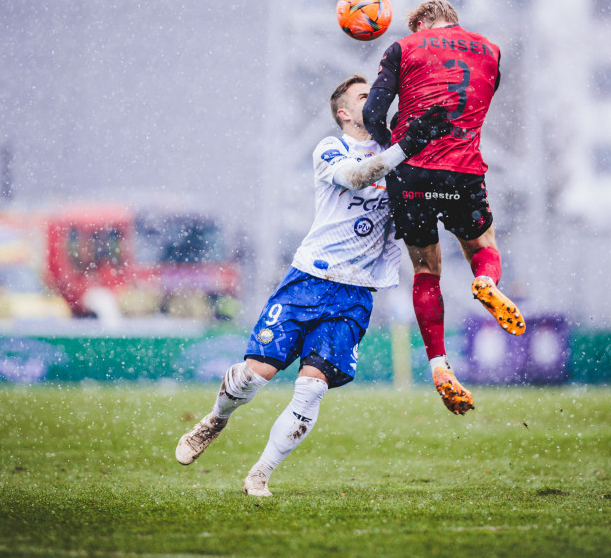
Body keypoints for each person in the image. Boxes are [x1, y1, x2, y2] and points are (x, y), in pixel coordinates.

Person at [175, 74, 452, 496]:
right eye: (365, 96)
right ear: (344, 112)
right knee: (255, 376)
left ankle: (260, 473)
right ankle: (216, 419)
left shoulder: (399, 151)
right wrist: (409, 146)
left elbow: (424, 202)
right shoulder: (332, 147)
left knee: (310, 390)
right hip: (308, 279)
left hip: (355, 293)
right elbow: (359, 177)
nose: (376, 99)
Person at [361, 0, 525, 416]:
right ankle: (486, 283)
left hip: (411, 174)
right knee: (483, 244)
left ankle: (438, 363)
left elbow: (372, 112)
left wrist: (390, 149)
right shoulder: (491, 50)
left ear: (421, 23)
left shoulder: (404, 47)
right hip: (463, 171)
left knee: (426, 269)